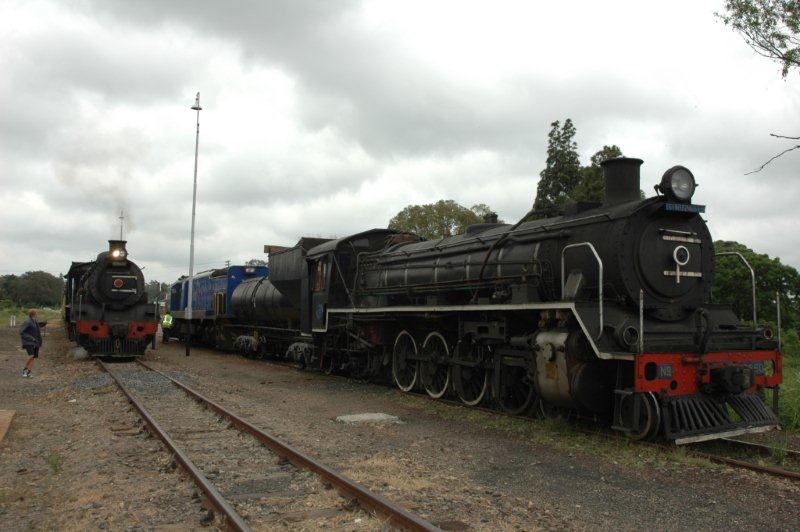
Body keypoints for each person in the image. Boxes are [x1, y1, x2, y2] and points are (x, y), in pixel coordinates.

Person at [20, 309, 42, 377]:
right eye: (36, 313)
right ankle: (24, 369)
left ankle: (29, 373)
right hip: (28, 342)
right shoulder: (28, 322)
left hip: (35, 343)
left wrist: (40, 342)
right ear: (33, 314)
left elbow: (38, 333)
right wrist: (31, 338)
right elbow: (22, 332)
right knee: (31, 356)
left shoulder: (35, 321)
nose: (37, 314)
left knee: (33, 357)